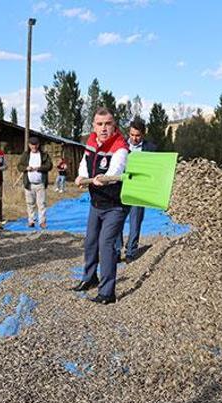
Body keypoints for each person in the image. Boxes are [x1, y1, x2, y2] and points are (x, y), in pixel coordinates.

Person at [72, 107, 130, 305]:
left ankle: (107, 292)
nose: (104, 128)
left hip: (115, 205)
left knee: (106, 245)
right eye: (100, 124)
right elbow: (84, 164)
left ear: (114, 126)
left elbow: (117, 169)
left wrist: (104, 179)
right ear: (94, 126)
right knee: (90, 242)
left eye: (108, 124)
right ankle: (90, 278)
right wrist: (82, 177)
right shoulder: (91, 143)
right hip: (96, 203)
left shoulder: (120, 146)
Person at [117, 118, 157, 263]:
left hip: (139, 190)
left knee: (135, 221)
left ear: (143, 134)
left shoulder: (151, 148)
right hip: (121, 188)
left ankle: (131, 252)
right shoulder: (120, 146)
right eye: (132, 135)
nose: (134, 138)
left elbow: (154, 170)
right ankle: (116, 251)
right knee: (116, 220)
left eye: (137, 135)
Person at [17, 136, 53, 228]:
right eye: (32, 145)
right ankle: (31, 221)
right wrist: (26, 168)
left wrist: (40, 168)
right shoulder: (25, 155)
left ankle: (42, 222)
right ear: (29, 145)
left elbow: (49, 166)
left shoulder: (44, 155)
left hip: (40, 183)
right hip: (29, 184)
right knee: (30, 203)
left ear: (38, 144)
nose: (34, 147)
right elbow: (19, 166)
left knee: (42, 204)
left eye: (36, 144)